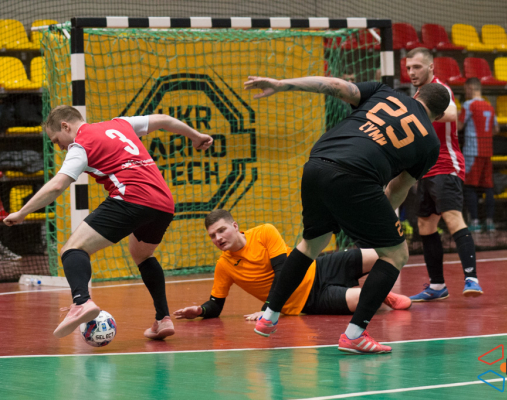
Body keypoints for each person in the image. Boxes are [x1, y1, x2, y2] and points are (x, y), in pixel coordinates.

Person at [244, 74, 449, 354]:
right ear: (439, 116)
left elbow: (336, 86)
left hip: (317, 163)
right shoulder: (431, 143)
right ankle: (354, 334)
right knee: (396, 254)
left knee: (312, 243)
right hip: (356, 175)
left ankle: (269, 315)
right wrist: (375, 219)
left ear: (417, 93)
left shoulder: (383, 91)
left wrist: (282, 84)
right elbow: (397, 188)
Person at [3, 106, 213, 340]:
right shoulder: (120, 124)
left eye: (56, 140)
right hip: (163, 203)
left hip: (131, 197)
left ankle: (81, 302)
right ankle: (162, 319)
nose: (59, 147)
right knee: (142, 255)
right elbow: (163, 119)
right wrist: (196, 136)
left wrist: (22, 213)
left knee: (72, 249)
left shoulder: (80, 145)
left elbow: (57, 185)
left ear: (65, 126)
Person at [173, 210, 412, 321]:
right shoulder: (224, 266)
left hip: (319, 267)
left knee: (384, 254)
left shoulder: (264, 232)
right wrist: (200, 310)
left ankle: (377, 288)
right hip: (309, 300)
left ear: (235, 226)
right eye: (212, 236)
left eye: (221, 230)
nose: (218, 238)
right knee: (364, 301)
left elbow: (283, 270)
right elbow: (216, 305)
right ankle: (381, 293)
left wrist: (269, 307)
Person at [405, 48, 483, 301]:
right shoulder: (417, 95)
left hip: (447, 165)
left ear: (430, 67)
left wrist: (417, 112)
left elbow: (451, 113)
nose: (412, 72)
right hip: (426, 169)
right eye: (408, 68)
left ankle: (471, 278)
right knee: (425, 225)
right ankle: (437, 286)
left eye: (417, 67)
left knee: (452, 217)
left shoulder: (440, 89)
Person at [457, 77, 499, 233]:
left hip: (472, 151)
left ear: (470, 88)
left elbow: (459, 126)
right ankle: (490, 222)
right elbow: (496, 129)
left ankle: (474, 222)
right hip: (487, 151)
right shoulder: (489, 106)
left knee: (469, 186)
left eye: (465, 89)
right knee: (488, 187)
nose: (465, 92)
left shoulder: (468, 105)